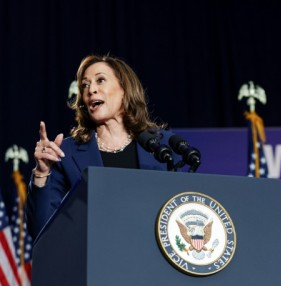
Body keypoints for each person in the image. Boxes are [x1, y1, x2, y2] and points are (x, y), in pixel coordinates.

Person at [26, 54, 176, 240]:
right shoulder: (66, 153)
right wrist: (41, 173)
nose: (91, 90)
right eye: (85, 85)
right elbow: (41, 230)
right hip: (92, 262)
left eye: (100, 80)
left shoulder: (162, 147)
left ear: (124, 89)